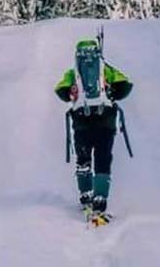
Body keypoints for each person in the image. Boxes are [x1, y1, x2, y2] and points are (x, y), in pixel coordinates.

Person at [54, 38, 133, 220]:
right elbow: (126, 86)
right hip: (106, 121)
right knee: (103, 157)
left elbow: (60, 90)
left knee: (83, 158)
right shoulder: (106, 70)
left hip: (81, 121)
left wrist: (71, 94)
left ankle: (86, 194)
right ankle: (100, 197)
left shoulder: (73, 73)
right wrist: (111, 92)